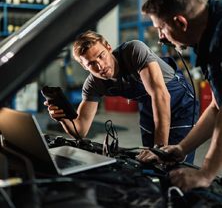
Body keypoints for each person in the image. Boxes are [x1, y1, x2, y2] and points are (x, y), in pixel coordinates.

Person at [44, 30, 198, 163]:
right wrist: (62, 117)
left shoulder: (134, 51)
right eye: (91, 64)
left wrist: (158, 149)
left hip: (180, 103)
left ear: (108, 47)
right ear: (84, 66)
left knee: (174, 162)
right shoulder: (93, 84)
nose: (100, 66)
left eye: (101, 56)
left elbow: (160, 95)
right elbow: (80, 130)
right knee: (150, 163)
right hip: (150, 107)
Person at [136, 0, 222, 191]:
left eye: (161, 29)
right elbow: (217, 106)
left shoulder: (219, 43)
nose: (161, 38)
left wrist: (206, 173)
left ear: (181, 23)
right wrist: (182, 148)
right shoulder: (213, 27)